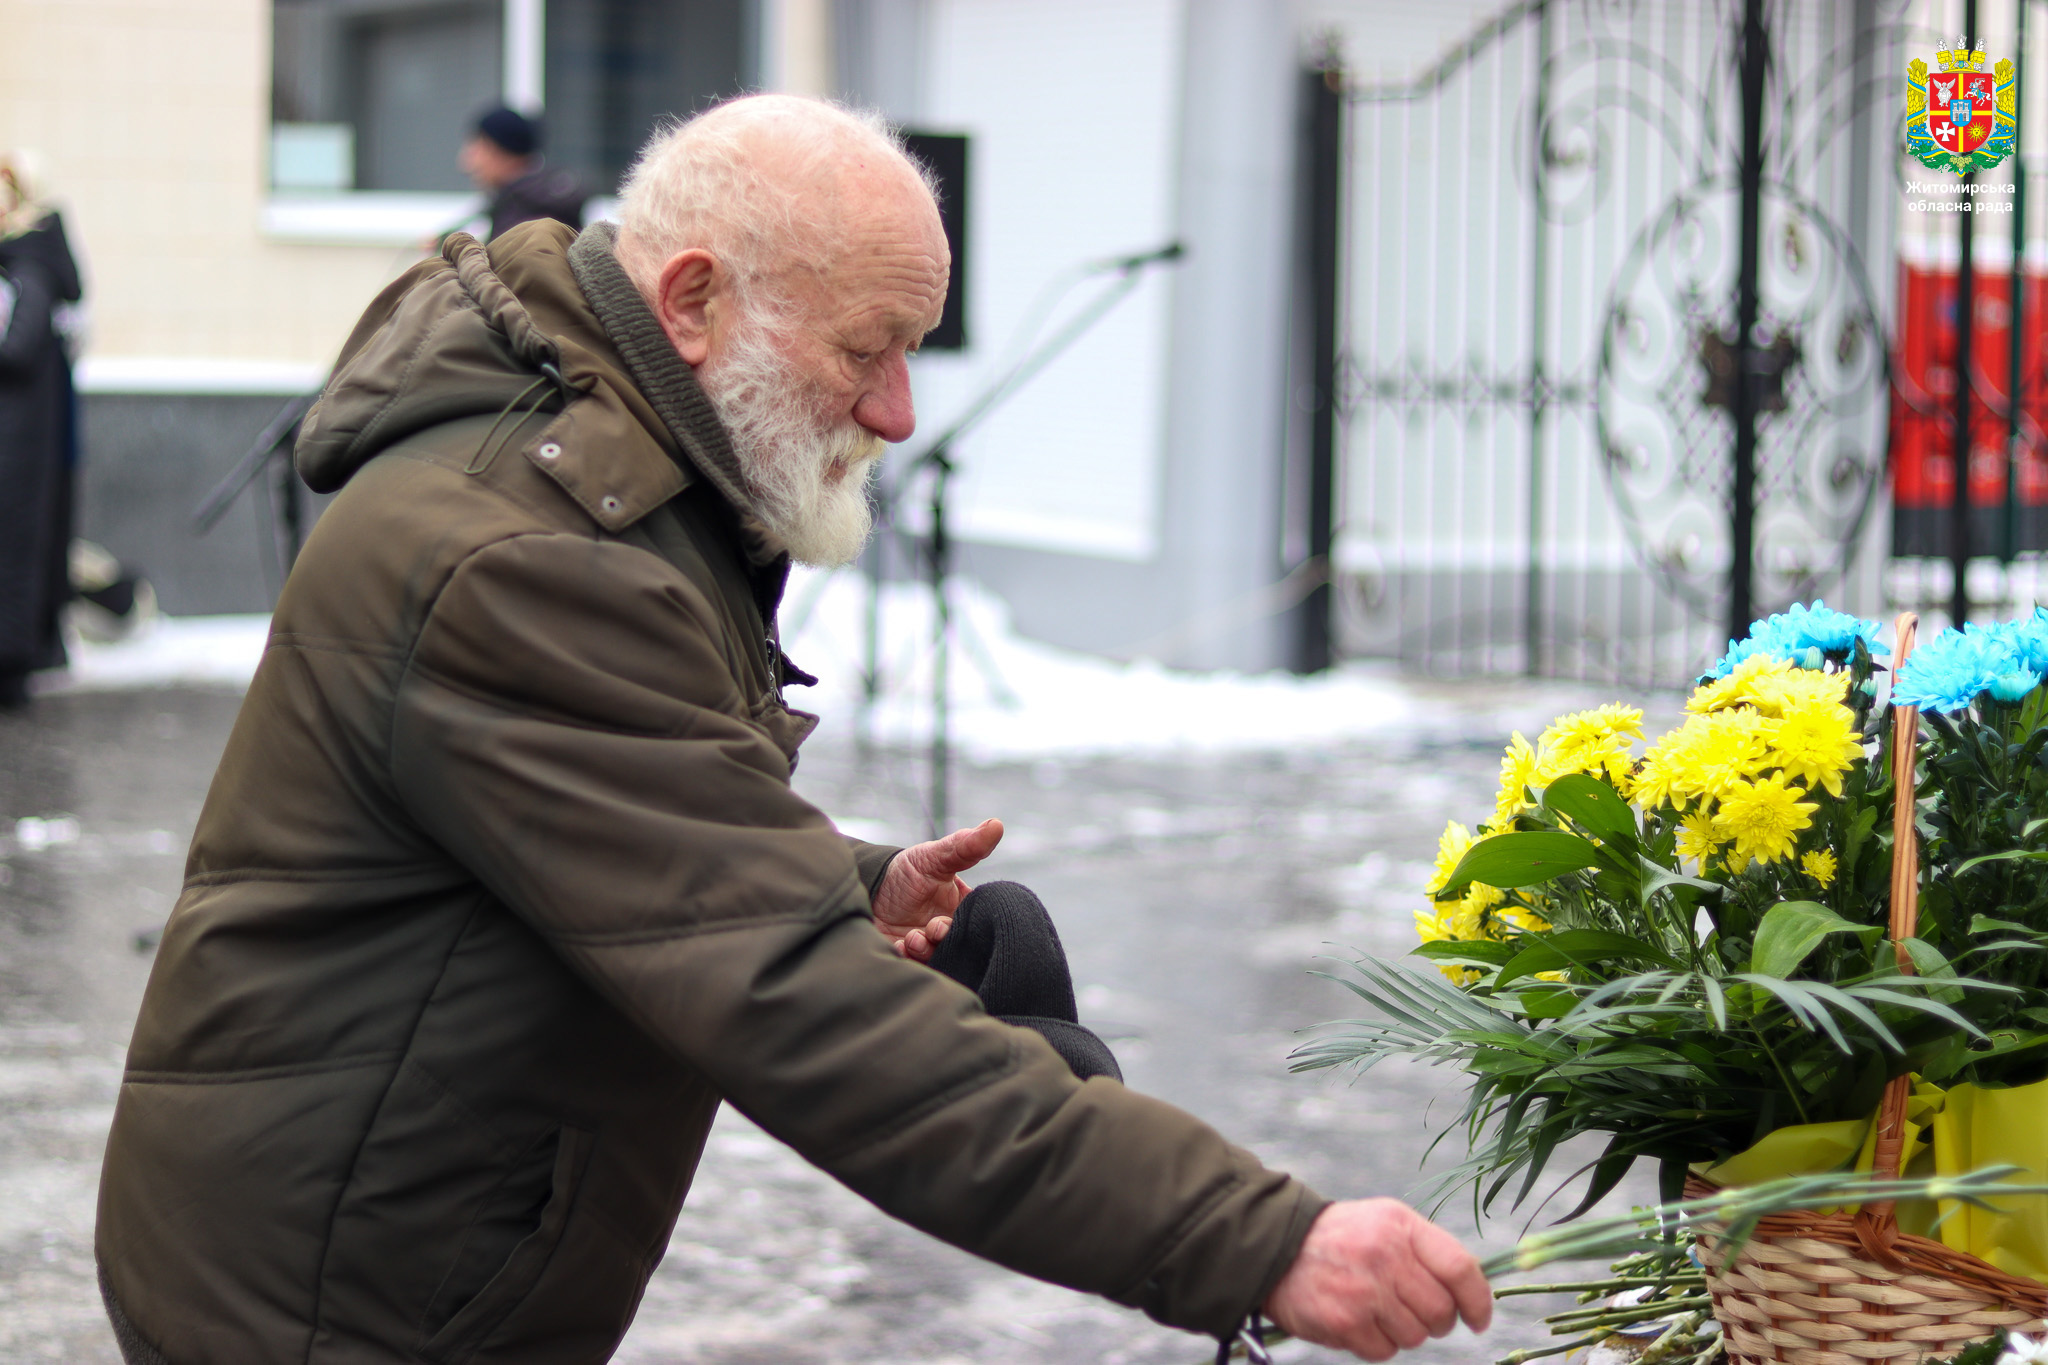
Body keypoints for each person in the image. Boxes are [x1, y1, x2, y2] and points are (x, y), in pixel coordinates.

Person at [94, 95, 1492, 1364]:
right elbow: (790, 995)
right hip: (328, 1303)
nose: (895, 411)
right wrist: (1261, 1239)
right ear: (693, 300)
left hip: (378, 1252)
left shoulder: (598, 468)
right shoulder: (525, 557)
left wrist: (836, 877)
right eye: (866, 351)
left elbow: (612, 822)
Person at [0, 152, 84, 710]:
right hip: (23, 437)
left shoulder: (29, 262)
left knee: (16, 549)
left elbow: (18, 348)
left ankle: (12, 666)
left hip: (20, 441)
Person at [461, 105, 587, 241]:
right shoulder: (531, 204)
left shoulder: (522, 222)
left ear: (502, 151)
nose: (466, 164)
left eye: (477, 148)